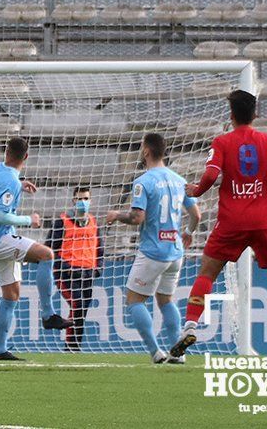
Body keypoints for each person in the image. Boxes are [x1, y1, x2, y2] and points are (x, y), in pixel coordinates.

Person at [170, 90, 267, 360]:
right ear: (256, 114)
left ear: (231, 115)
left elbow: (212, 174)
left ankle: (190, 326)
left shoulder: (223, 142)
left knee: (207, 272)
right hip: (264, 221)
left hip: (232, 221)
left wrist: (197, 191)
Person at [106, 133, 201, 364]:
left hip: (153, 251)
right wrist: (188, 233)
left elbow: (137, 217)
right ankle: (178, 354)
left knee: (135, 300)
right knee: (166, 300)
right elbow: (196, 215)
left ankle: (155, 352)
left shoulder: (143, 181)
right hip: (175, 251)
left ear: (146, 151)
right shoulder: (179, 180)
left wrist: (116, 215)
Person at [0, 137, 74, 361]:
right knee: (46, 255)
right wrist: (28, 219)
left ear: (5, 151)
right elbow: (0, 216)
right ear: (27, 157)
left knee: (11, 295)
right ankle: (48, 314)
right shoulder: (11, 181)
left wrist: (19, 183)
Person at [48, 186, 105, 352]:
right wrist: (64, 267)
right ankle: (71, 346)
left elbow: (99, 249)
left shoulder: (94, 223)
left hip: (87, 274)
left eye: (86, 199)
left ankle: (74, 346)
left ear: (91, 201)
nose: (83, 202)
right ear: (73, 201)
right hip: (67, 275)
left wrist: (98, 268)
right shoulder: (62, 222)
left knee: (82, 309)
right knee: (77, 305)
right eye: (79, 199)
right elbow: (49, 249)